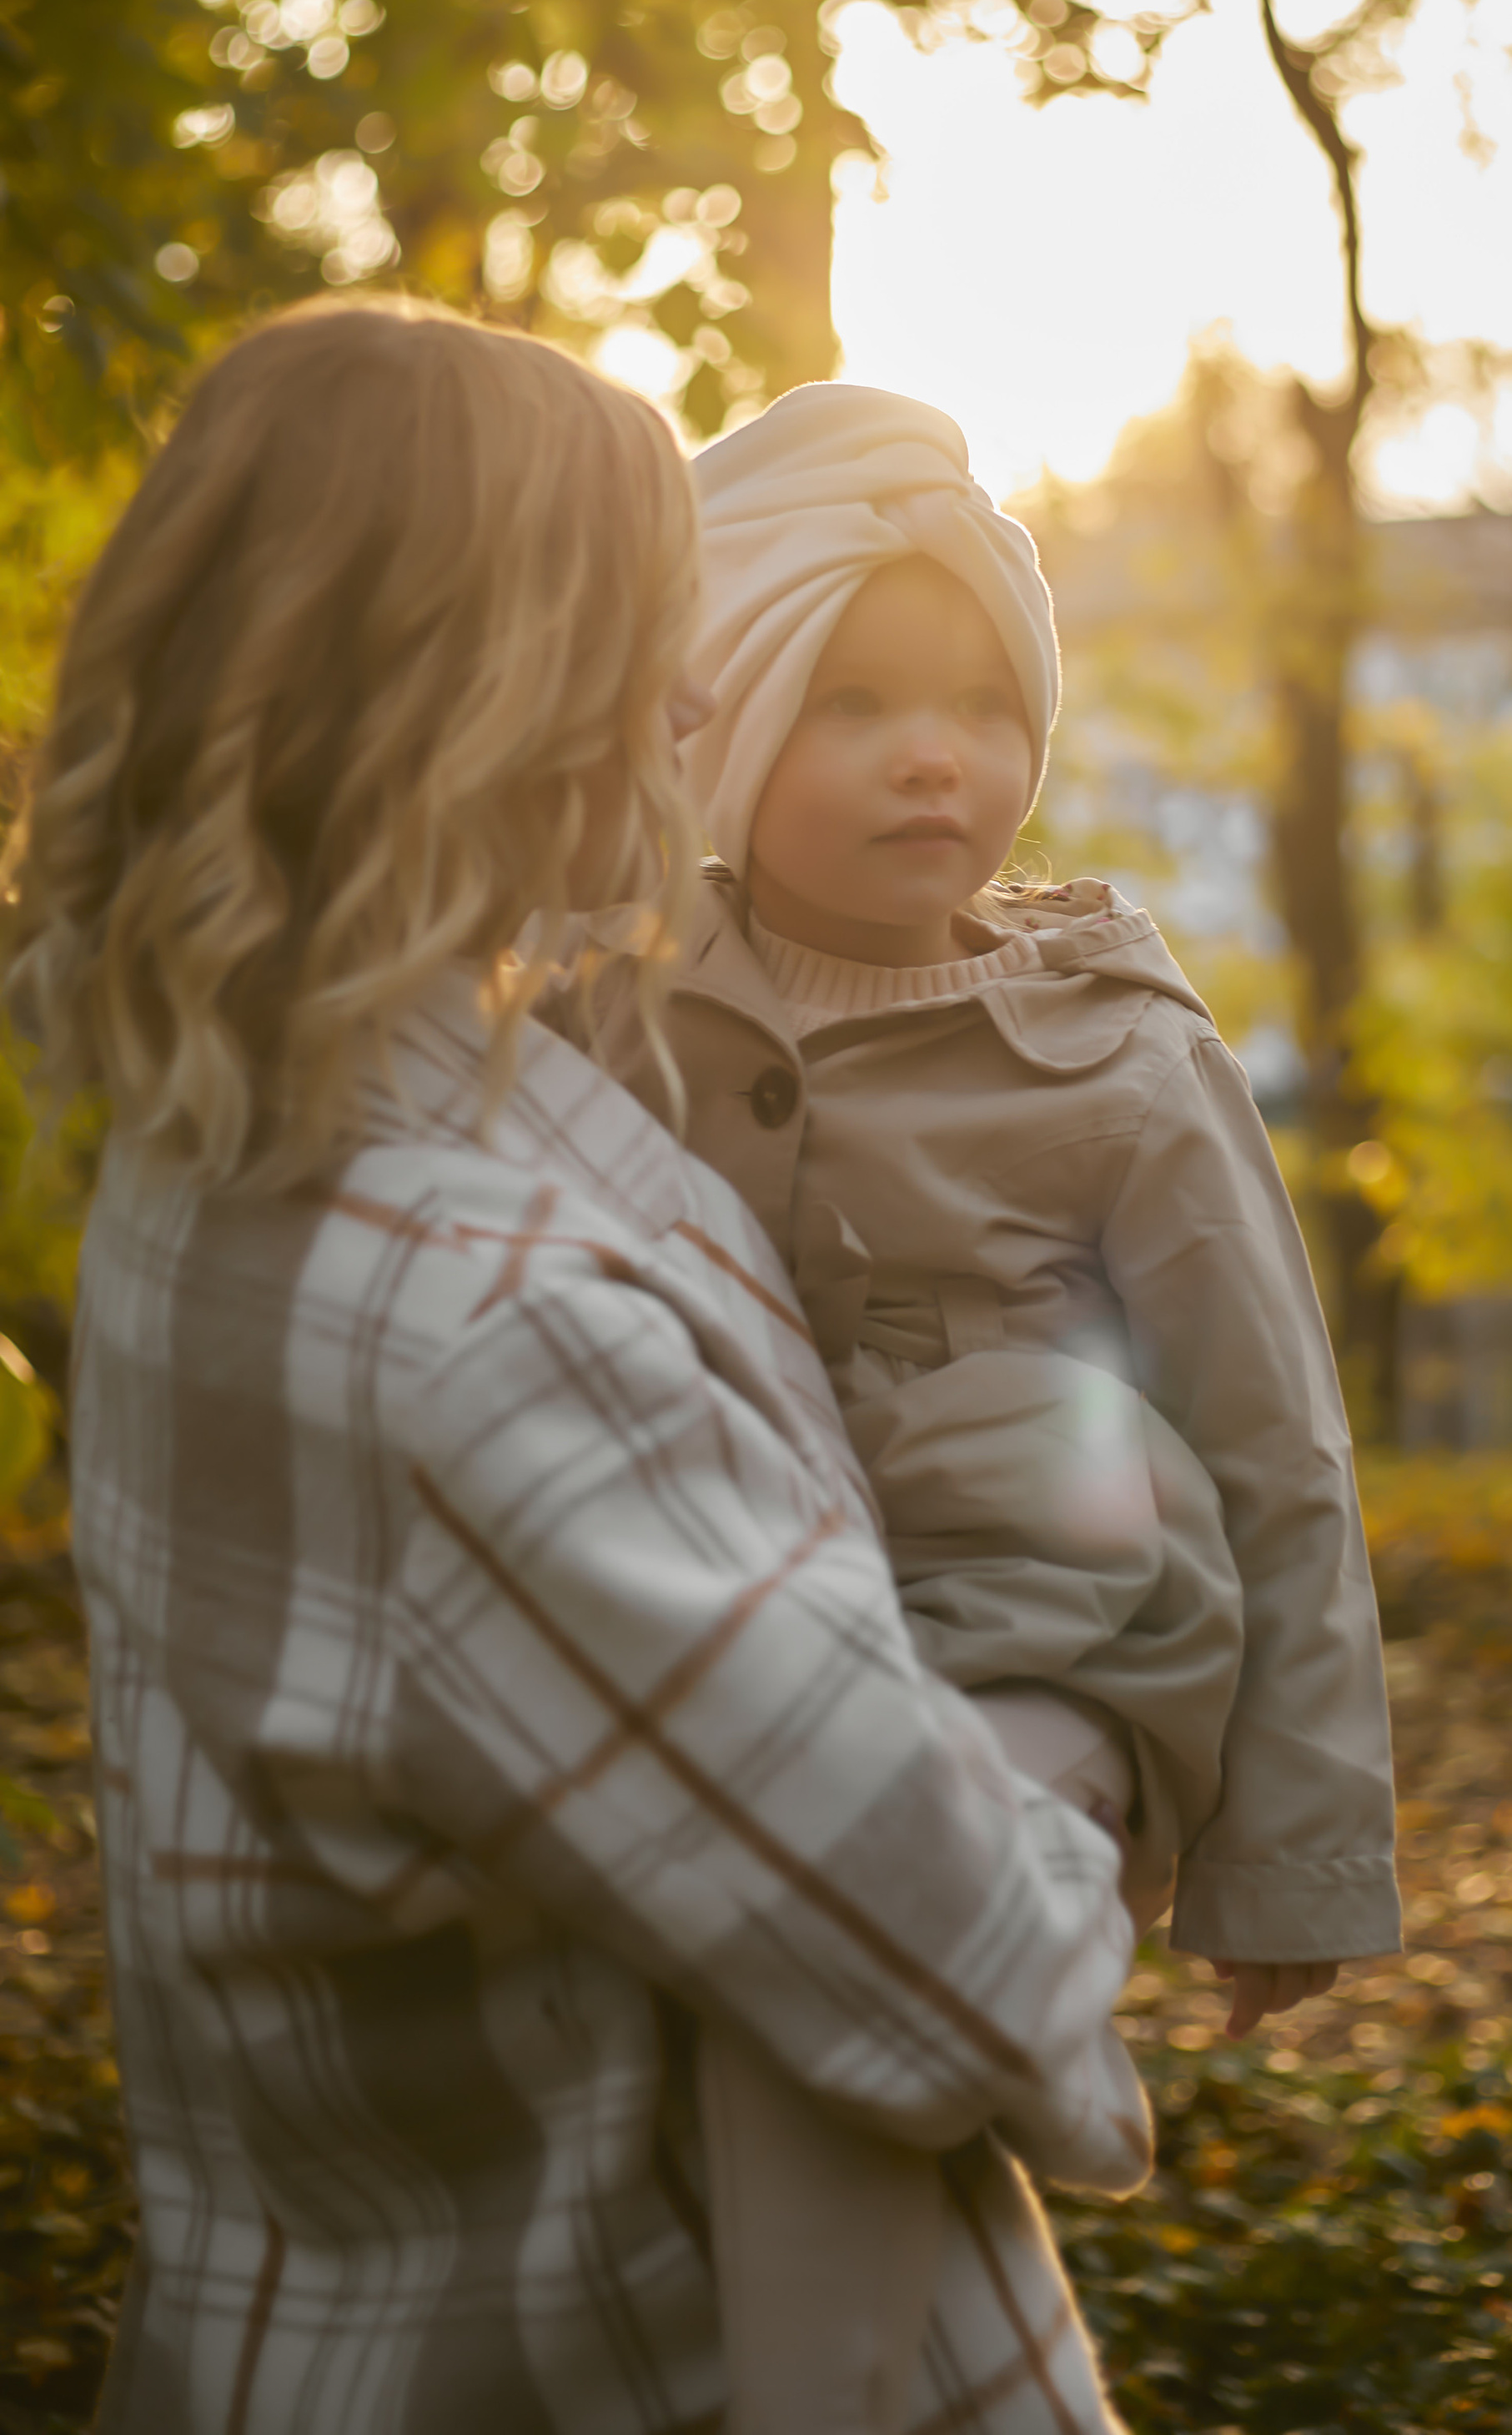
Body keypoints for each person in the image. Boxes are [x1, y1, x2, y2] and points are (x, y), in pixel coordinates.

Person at [5, 305, 1148, 2435]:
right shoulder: (469, 1321)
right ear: (480, 696)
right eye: (649, 625)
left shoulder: (201, 1147)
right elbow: (971, 1963)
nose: (702, 687)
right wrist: (1071, 1719)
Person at [565, 381, 1401, 2435]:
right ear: (718, 719)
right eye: (850, 703)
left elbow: (1273, 1442)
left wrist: (1288, 1855)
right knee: (739, 2024)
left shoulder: (1112, 1051)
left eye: (979, 708)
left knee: (843, 2003)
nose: (934, 756)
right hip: (747, 1645)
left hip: (1057, 1641)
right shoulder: (612, 998)